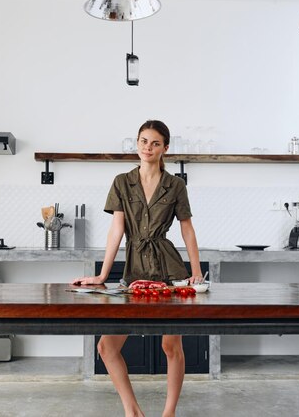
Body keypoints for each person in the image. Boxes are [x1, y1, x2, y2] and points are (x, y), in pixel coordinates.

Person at [72, 120, 203, 417]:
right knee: (107, 347)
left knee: (171, 346)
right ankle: (133, 412)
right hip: (133, 272)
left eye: (155, 143)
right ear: (137, 143)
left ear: (165, 148)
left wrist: (195, 272)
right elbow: (116, 230)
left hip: (170, 270)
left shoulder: (176, 185)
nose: (148, 147)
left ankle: (168, 413)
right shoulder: (121, 181)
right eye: (143, 141)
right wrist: (103, 275)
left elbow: (187, 230)